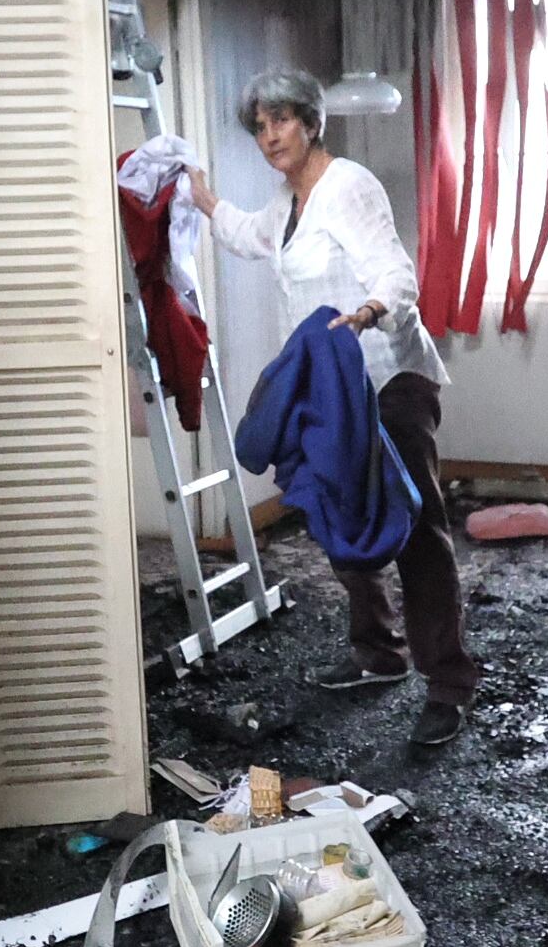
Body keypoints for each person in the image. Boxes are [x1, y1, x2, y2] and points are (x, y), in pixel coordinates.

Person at [187, 69, 483, 747]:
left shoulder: (347, 187)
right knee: (335, 512)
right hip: (334, 397)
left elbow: (395, 271)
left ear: (312, 122)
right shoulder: (287, 205)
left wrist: (370, 310)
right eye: (260, 127)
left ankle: (448, 682)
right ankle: (379, 653)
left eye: (281, 120)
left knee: (416, 531)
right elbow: (245, 235)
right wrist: (204, 201)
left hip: (389, 380)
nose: (269, 137)